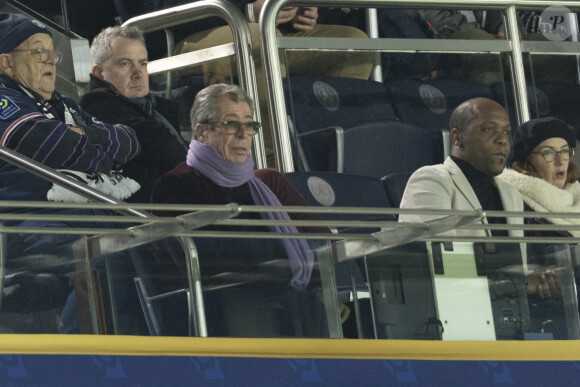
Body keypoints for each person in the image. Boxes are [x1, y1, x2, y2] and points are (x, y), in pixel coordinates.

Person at [0, 12, 141, 331]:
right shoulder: (4, 100)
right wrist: (95, 145)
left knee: (149, 249)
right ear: (6, 63)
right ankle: (78, 359)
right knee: (105, 260)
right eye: (38, 51)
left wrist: (84, 140)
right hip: (25, 223)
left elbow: (130, 140)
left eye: (52, 50)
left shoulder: (63, 105)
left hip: (82, 213)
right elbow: (49, 143)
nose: (50, 59)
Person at [151, 83, 328, 338]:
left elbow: (322, 242)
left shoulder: (266, 184)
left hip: (289, 302)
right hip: (222, 313)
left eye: (250, 125)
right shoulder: (176, 185)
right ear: (201, 132)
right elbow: (202, 268)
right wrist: (276, 271)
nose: (244, 134)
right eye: (232, 124)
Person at [138, 0, 374, 165]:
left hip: (267, 26)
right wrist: (246, 9)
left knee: (354, 44)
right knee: (260, 40)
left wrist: (297, 9)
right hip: (187, 33)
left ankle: (331, 159)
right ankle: (272, 165)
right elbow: (160, 6)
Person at [80, 25, 188, 203]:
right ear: (99, 73)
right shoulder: (95, 104)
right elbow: (161, 142)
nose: (138, 73)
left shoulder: (159, 107)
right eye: (125, 63)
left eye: (143, 63)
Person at [498, 117, 578, 335]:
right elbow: (528, 270)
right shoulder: (513, 203)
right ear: (526, 163)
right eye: (548, 153)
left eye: (565, 151)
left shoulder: (576, 199)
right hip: (545, 320)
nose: (561, 160)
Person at [399, 97, 523, 237]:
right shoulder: (430, 180)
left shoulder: (511, 193)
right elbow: (438, 253)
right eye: (489, 129)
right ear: (457, 138)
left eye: (506, 132)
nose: (503, 140)